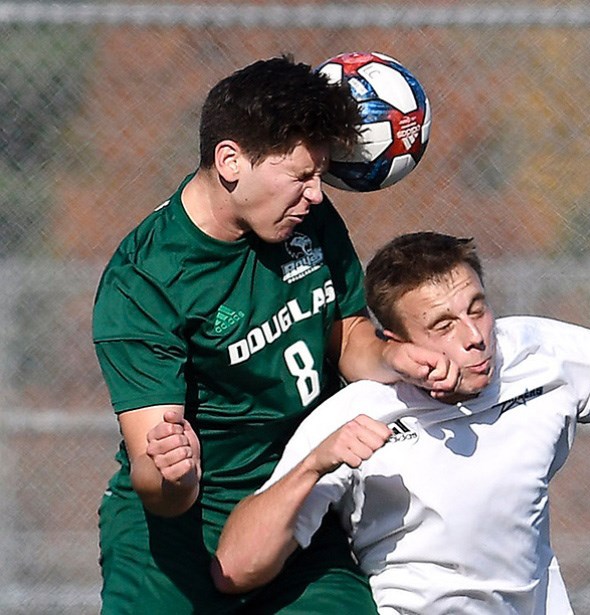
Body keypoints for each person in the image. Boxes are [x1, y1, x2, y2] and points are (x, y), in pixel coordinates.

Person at [211, 231, 590, 614]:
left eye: (477, 307)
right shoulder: (356, 413)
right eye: (443, 324)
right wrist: (314, 464)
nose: (474, 336)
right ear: (395, 342)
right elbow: (234, 568)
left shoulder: (540, 354)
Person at [92, 58, 458, 614]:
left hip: (294, 504)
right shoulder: (145, 279)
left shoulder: (306, 219)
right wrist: (174, 474)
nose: (317, 193)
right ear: (230, 161)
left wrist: (396, 358)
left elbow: (347, 333)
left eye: (321, 173)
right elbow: (153, 471)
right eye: (302, 176)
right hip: (179, 535)